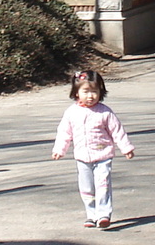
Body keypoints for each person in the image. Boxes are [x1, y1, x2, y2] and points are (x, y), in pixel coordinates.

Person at [51, 70, 135, 230]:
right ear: (76, 93)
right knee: (87, 188)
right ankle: (91, 214)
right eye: (86, 92)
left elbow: (117, 131)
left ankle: (103, 214)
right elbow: (64, 133)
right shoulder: (71, 113)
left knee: (103, 185)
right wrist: (59, 149)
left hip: (103, 156)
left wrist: (126, 147)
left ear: (100, 92)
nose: (90, 96)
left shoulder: (105, 112)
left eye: (94, 92)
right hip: (82, 158)